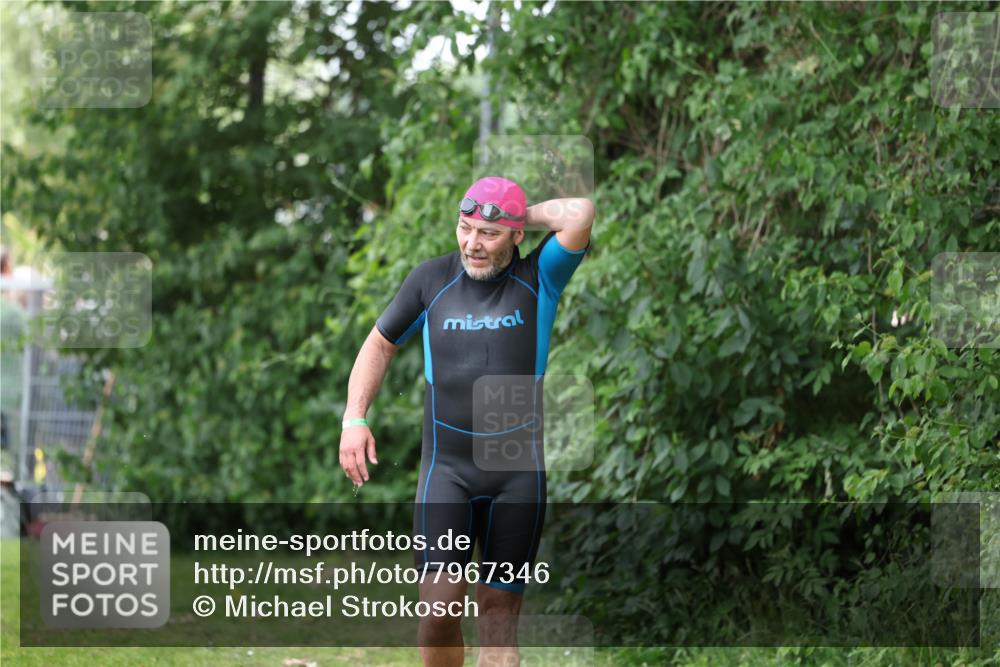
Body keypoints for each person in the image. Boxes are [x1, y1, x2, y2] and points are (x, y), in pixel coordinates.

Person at [340, 176, 594, 667]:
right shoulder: (431, 280)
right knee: (438, 608)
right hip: (448, 471)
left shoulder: (540, 277)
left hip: (516, 475)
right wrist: (354, 417)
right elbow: (379, 343)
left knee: (497, 621)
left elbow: (580, 212)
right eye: (464, 228)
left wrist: (519, 211)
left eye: (488, 233)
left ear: (517, 236)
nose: (472, 244)